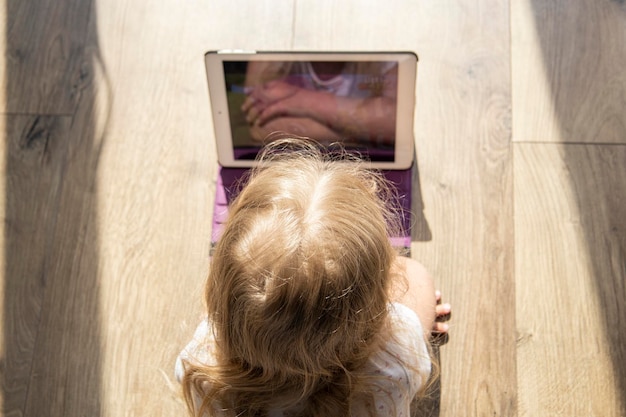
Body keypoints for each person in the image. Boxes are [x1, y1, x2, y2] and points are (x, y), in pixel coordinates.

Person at [176, 138, 451, 417]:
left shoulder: (202, 366)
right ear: (371, 313)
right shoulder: (393, 366)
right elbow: (416, 277)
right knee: (413, 273)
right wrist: (401, 308)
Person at [241, 61, 398, 146]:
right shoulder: (272, 47)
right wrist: (366, 130)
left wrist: (301, 99)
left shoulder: (384, 48)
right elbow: (261, 126)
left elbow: (397, 123)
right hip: (290, 167)